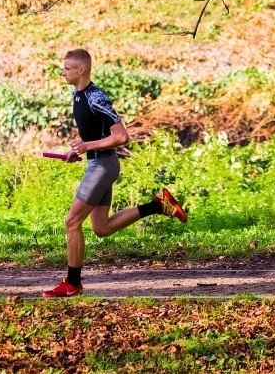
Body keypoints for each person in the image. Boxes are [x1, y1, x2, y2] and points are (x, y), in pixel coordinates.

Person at [43, 48, 187, 298]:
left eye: (66, 68)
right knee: (101, 228)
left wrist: (88, 146)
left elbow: (122, 136)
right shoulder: (77, 95)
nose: (62, 72)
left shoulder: (96, 97)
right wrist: (79, 151)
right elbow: (93, 131)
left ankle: (73, 283)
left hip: (103, 166)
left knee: (72, 222)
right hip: (97, 163)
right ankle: (157, 206)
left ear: (81, 70)